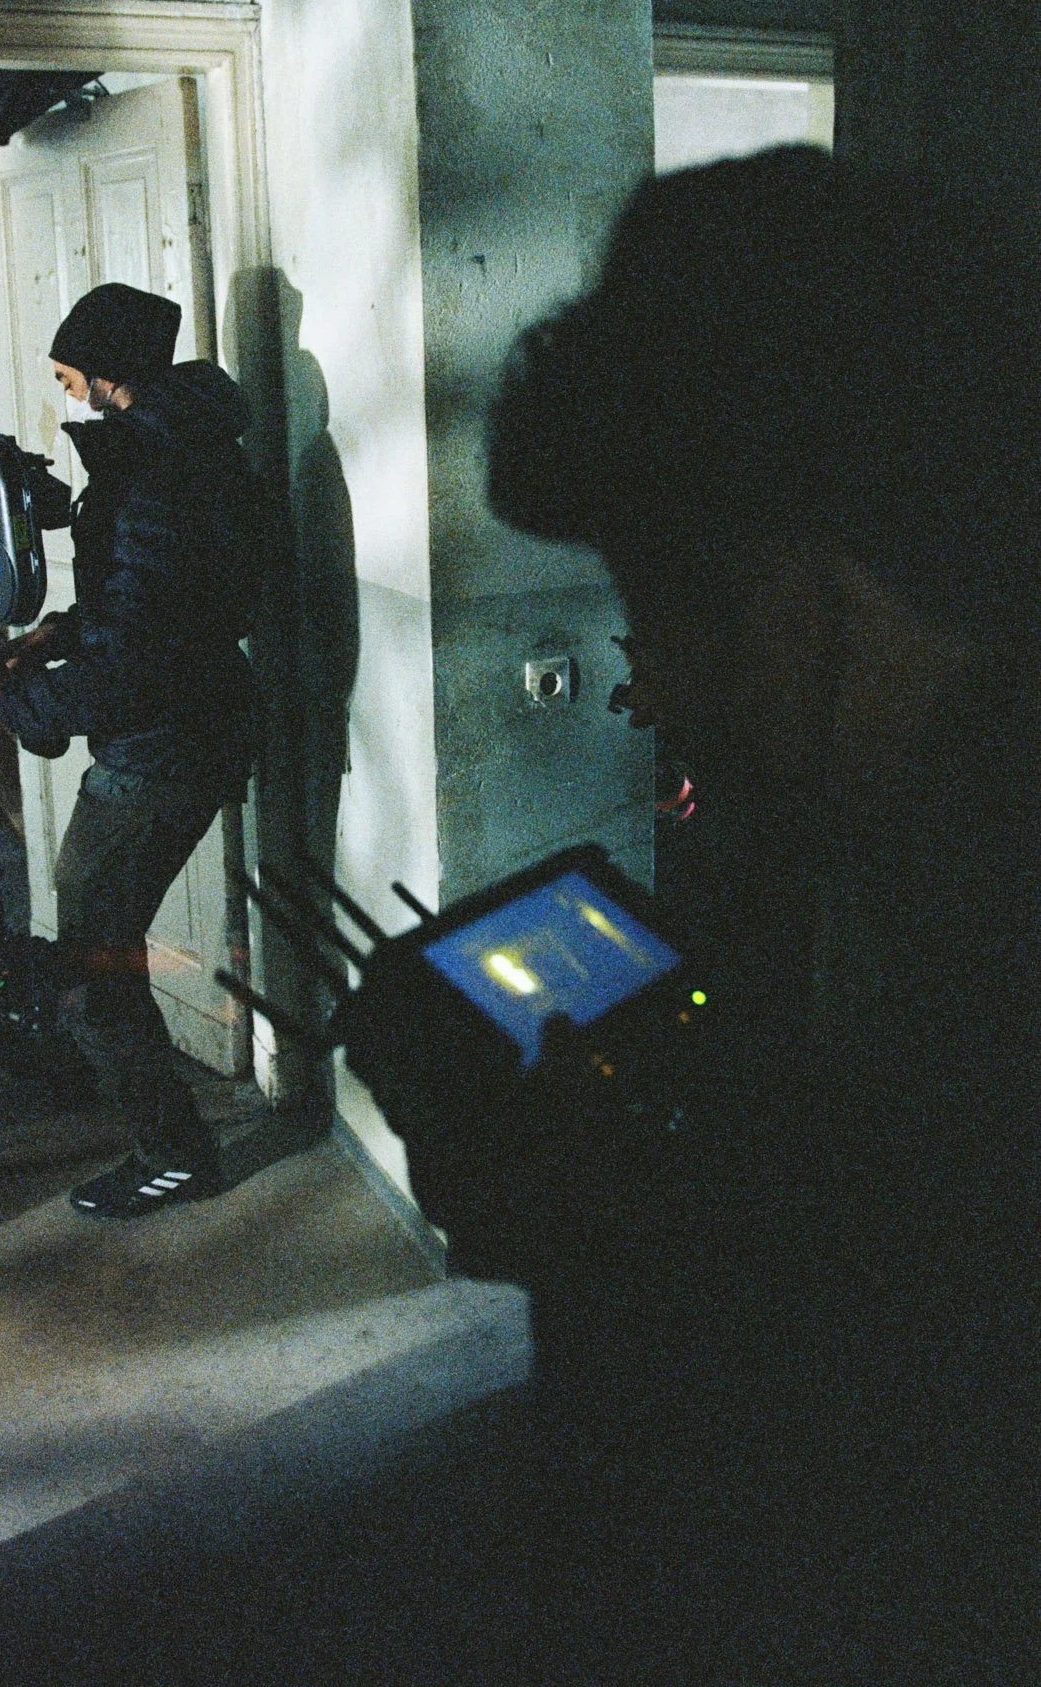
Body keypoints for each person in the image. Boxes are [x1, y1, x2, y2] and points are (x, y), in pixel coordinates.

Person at [346, 148, 1041, 1681]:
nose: (649, 687)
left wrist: (608, 1265)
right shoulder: (938, 849)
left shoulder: (984, 929)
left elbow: (882, 1516)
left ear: (806, 601)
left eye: (651, 611)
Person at [0, 282, 264, 1218]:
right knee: (101, 952)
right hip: (191, 725)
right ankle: (158, 1131)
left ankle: (174, 1155)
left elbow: (138, 659)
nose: (64, 391)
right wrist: (57, 634)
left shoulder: (152, 473)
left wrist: (4, 700)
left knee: (92, 964)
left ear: (104, 371)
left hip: (161, 749)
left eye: (67, 374)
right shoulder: (190, 450)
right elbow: (152, 601)